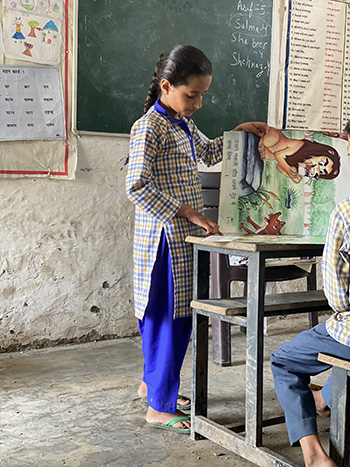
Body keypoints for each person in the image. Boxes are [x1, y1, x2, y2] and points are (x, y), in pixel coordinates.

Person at [126, 44, 266, 434]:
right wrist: (188, 212)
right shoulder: (150, 126)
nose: (199, 103)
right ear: (167, 86)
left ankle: (152, 387)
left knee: (168, 317)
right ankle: (159, 407)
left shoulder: (180, 122)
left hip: (180, 240)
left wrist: (238, 134)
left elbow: (207, 152)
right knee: (168, 320)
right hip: (164, 242)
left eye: (203, 94)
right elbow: (136, 186)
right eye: (192, 94)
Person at [270, 122, 350, 467]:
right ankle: (324, 400)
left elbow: (339, 299)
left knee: (285, 360)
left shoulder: (345, 212)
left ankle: (315, 455)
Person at [235, 124, 340, 183]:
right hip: (275, 138)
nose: (318, 168)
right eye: (321, 163)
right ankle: (261, 140)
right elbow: (279, 155)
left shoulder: (301, 165)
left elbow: (278, 166)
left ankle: (261, 144)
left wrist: (290, 174)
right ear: (317, 153)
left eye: (322, 171)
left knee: (269, 157)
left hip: (272, 150)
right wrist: (289, 170)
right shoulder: (300, 145)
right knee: (273, 140)